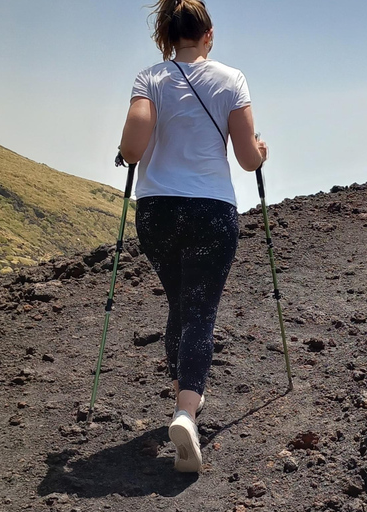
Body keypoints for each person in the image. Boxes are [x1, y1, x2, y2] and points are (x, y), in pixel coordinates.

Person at [119, 0, 268, 473]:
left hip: (157, 211)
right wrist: (260, 150)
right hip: (210, 210)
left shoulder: (149, 78)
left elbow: (132, 148)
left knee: (180, 304)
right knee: (201, 310)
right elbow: (247, 158)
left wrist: (125, 153)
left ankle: (186, 394)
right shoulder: (232, 79)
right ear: (208, 35)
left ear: (169, 34)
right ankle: (186, 410)